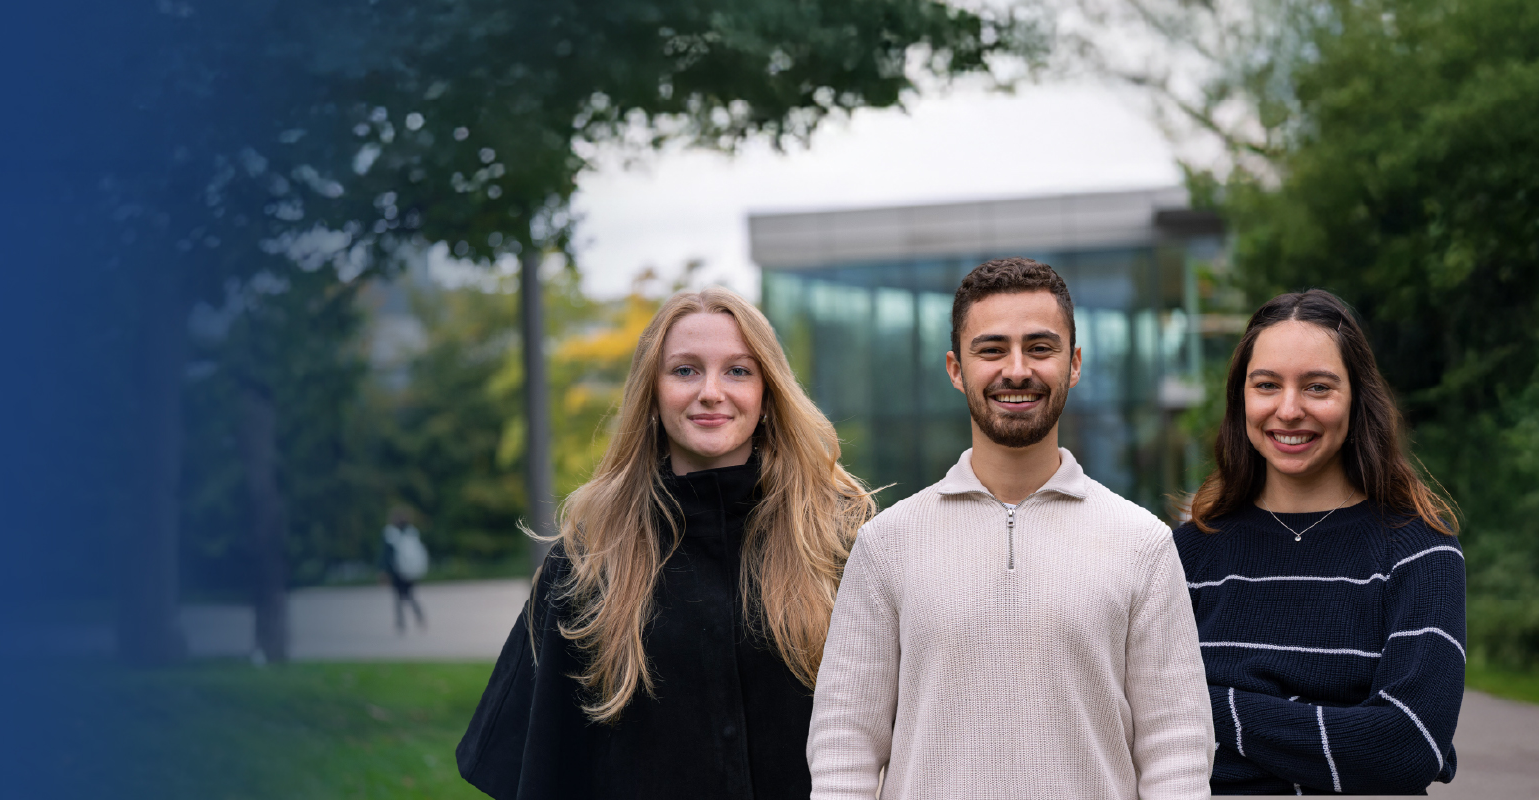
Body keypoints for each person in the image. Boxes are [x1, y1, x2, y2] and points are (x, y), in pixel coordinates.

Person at [808, 257, 1214, 799]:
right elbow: (844, 748)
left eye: (1041, 348)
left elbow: (1178, 750)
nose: (1017, 370)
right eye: (992, 349)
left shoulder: (1143, 544)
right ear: (956, 369)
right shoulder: (888, 545)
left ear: (1074, 365)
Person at [456, 287, 878, 799]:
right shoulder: (588, 564)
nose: (711, 392)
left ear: (768, 393)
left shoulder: (839, 547)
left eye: (738, 371)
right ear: (651, 393)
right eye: (685, 370)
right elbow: (539, 765)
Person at [1174, 289, 1463, 795]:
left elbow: (1409, 744)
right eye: (1267, 385)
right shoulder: (1188, 554)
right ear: (1241, 398)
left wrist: (1207, 705)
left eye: (1317, 387)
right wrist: (1339, 736)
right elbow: (1151, 741)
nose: (1289, 410)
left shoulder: (1419, 550)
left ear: (1356, 397)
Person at [381, 510, 427, 633]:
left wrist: (384, 571)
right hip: (408, 571)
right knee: (409, 596)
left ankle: (402, 622)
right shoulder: (412, 532)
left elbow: (385, 555)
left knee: (400, 598)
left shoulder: (391, 534)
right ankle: (415, 618)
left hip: (398, 571)